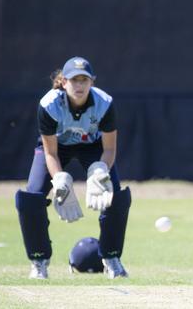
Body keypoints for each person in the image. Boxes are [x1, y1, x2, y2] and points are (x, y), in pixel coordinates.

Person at [15, 56, 131, 280]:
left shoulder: (104, 103)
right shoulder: (49, 105)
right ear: (63, 82)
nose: (79, 85)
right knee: (30, 199)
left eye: (84, 80)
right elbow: (50, 152)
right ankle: (39, 261)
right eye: (74, 80)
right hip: (58, 148)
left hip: (94, 147)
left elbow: (109, 149)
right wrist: (59, 179)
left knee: (116, 196)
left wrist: (100, 172)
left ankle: (111, 258)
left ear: (92, 82)